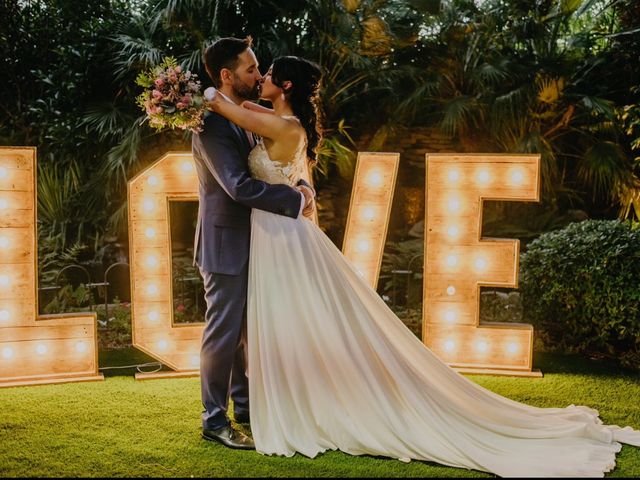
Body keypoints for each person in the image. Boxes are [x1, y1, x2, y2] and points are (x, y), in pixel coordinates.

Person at [205, 55, 640, 476]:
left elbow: (220, 103)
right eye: (254, 70)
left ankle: (299, 402)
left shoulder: (277, 124)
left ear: (286, 87)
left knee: (296, 320)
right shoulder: (282, 123)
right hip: (272, 237)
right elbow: (253, 124)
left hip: (281, 238)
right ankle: (277, 397)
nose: (259, 77)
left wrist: (185, 93)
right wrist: (301, 186)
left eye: (267, 74)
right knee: (288, 322)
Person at [192, 37, 315, 450]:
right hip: (226, 243)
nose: (259, 75)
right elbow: (237, 186)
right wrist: (294, 200)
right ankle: (214, 420)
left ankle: (244, 408)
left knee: (246, 333)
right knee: (223, 334)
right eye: (250, 69)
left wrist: (296, 181)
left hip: (259, 242)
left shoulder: (242, 117)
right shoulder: (211, 124)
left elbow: (271, 162)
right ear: (227, 76)